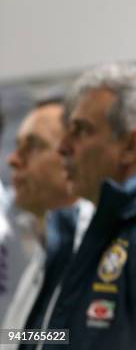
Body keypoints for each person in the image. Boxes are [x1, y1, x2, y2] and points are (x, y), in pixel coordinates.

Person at [21, 63, 136, 350]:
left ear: (131, 146)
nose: (63, 147)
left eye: (81, 130)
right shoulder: (85, 225)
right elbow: (60, 334)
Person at [2, 100, 93, 330]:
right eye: (17, 146)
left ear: (71, 152)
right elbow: (17, 338)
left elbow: (73, 340)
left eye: (33, 146)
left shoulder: (94, 249)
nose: (13, 160)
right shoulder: (47, 247)